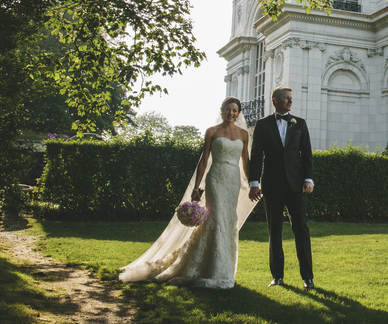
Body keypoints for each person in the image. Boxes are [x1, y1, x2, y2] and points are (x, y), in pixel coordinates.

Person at [118, 97, 254, 288]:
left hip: (233, 182)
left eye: (235, 110)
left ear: (238, 113)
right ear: (221, 110)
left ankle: (223, 268)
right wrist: (197, 188)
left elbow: (246, 162)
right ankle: (207, 268)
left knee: (228, 220)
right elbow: (204, 161)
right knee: (214, 220)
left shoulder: (243, 134)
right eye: (228, 109)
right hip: (215, 178)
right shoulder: (212, 131)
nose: (231, 113)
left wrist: (253, 184)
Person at [248, 86, 316, 290]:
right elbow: (256, 155)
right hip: (272, 185)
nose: (290, 101)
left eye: (291, 98)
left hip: (297, 186)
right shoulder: (262, 125)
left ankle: (308, 278)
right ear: (275, 100)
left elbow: (307, 154)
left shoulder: (300, 124)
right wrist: (254, 183)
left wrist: (308, 179)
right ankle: (277, 276)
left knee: (301, 230)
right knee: (274, 230)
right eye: (286, 98)